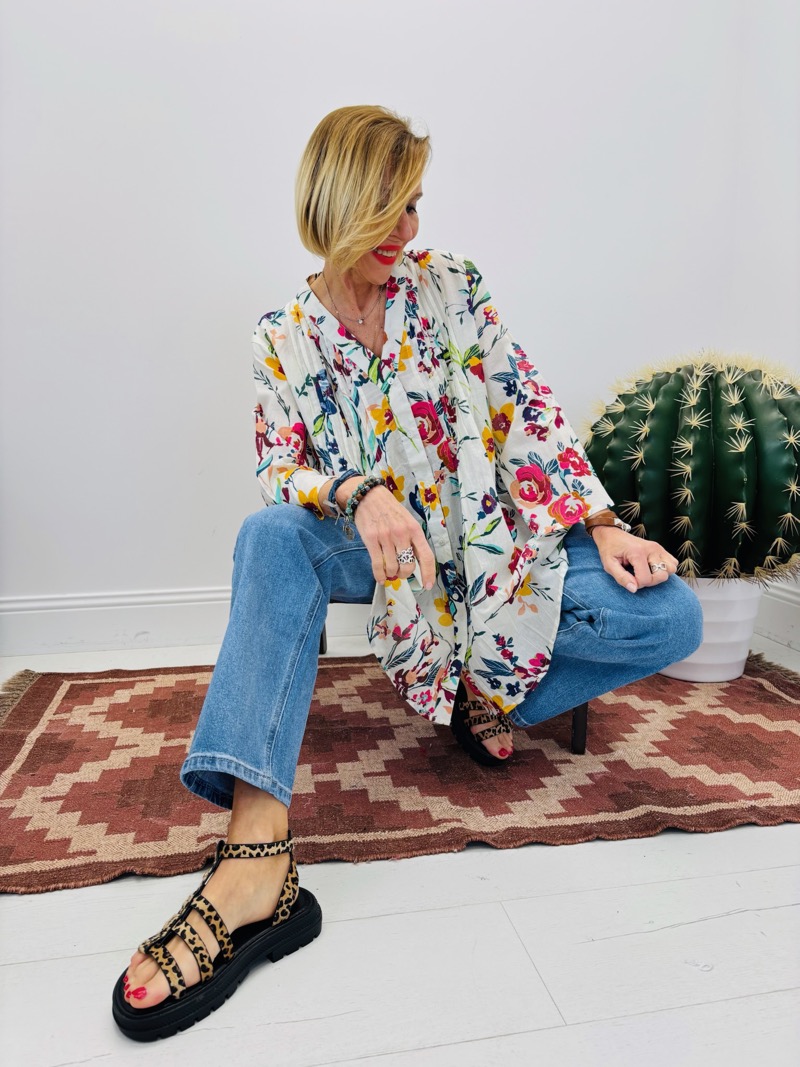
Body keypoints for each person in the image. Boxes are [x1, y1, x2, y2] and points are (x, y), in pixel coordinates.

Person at [112, 105, 703, 1040]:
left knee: (672, 616)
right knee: (270, 536)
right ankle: (257, 856)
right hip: (376, 554)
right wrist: (359, 493)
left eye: (415, 205)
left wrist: (601, 523)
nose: (404, 229)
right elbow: (280, 466)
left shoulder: (453, 286)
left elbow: (525, 406)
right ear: (333, 203)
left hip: (488, 550)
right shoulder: (282, 335)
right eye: (384, 207)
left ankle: (484, 683)